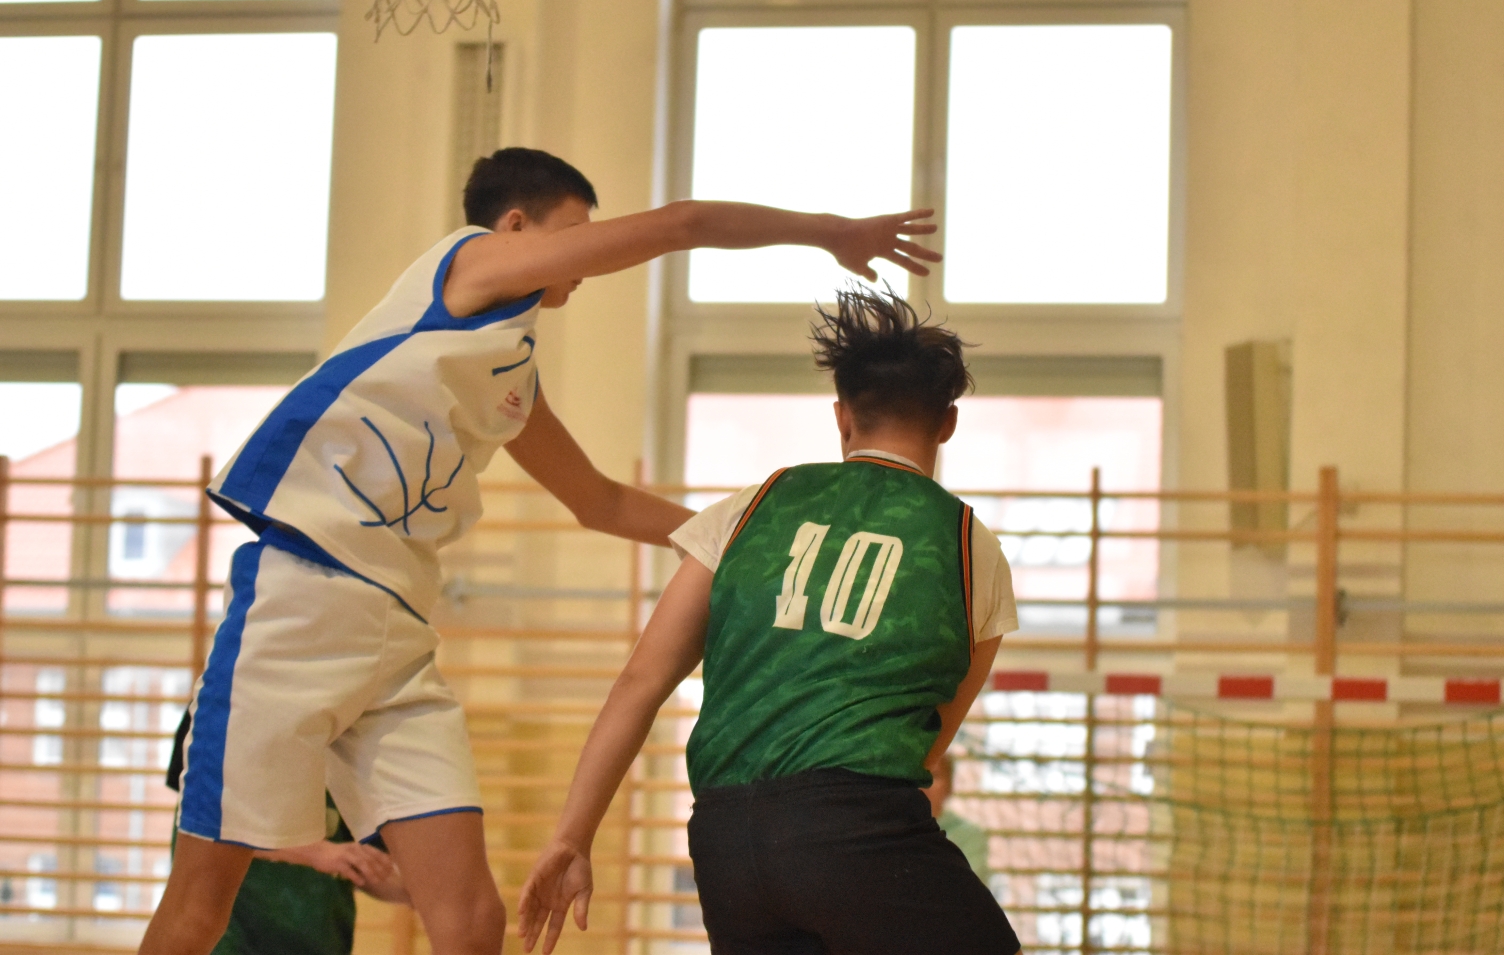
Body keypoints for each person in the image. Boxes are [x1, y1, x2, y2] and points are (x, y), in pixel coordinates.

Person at [140, 148, 940, 955]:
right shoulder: (469, 263)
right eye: (575, 230)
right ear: (517, 226)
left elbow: (600, 501)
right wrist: (830, 231)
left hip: (397, 633)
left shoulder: (510, 372)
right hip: (303, 595)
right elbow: (684, 223)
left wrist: (740, 535)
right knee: (202, 906)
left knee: (473, 921)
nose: (584, 257)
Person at [517, 289, 1020, 955]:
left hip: (726, 841)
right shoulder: (969, 544)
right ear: (948, 423)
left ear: (842, 415)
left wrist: (572, 836)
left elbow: (639, 680)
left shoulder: (751, 507)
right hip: (857, 828)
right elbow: (930, 744)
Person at [162, 713, 410, 955]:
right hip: (237, 941)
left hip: (321, 942)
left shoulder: (354, 734)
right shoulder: (226, 710)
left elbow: (360, 862)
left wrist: (419, 893)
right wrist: (316, 852)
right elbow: (205, 829)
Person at [924, 751, 992, 886]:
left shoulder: (969, 835)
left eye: (934, 776)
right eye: (918, 777)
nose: (924, 786)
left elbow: (969, 887)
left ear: (950, 785)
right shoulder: (889, 828)